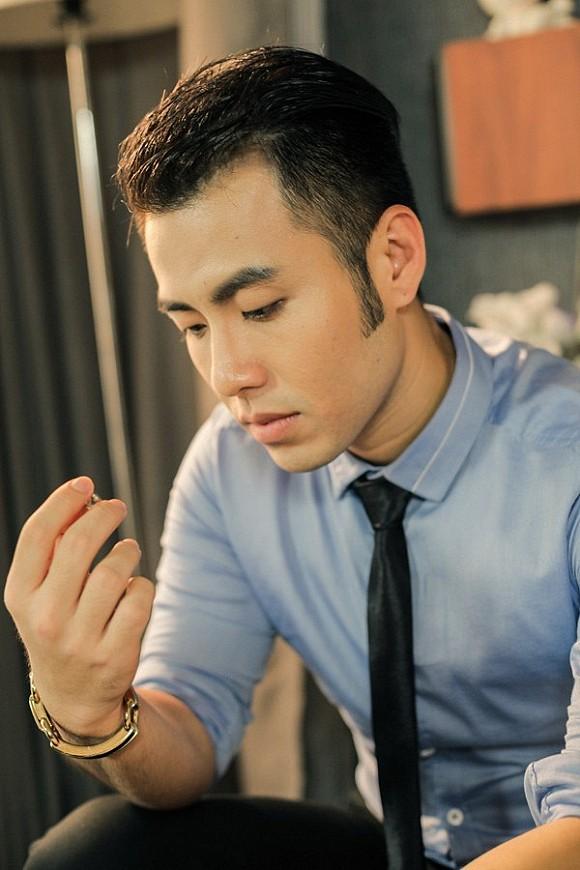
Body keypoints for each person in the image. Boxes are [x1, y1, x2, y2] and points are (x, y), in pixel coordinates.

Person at [4, 45, 580, 870]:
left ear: (393, 260)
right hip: (394, 842)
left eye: (261, 307)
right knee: (94, 852)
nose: (226, 375)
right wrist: (89, 713)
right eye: (192, 325)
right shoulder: (229, 466)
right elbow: (185, 735)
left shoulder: (565, 454)